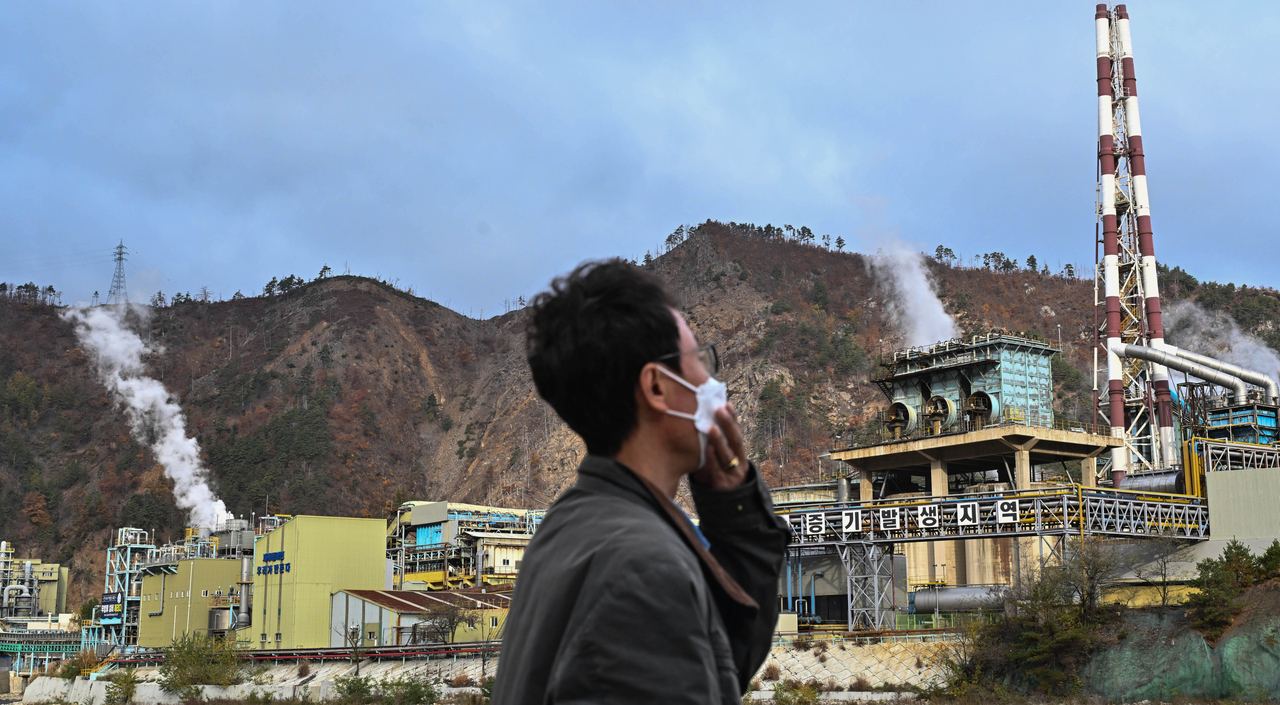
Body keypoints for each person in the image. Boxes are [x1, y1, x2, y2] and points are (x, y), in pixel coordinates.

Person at [492, 259, 790, 705]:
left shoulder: (569, 527)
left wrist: (735, 509)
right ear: (656, 387)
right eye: (699, 360)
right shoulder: (645, 566)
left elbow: (714, 665)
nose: (712, 381)